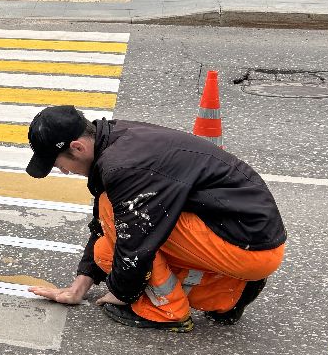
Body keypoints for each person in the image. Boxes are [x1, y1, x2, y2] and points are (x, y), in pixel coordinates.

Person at [24, 105, 286, 332]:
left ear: (77, 147)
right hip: (247, 234)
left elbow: (134, 244)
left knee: (117, 220)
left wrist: (120, 293)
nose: (65, 172)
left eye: (59, 165)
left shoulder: (122, 166)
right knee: (105, 252)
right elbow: (104, 229)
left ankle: (167, 312)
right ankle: (229, 294)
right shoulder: (115, 139)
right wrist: (79, 286)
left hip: (248, 245)